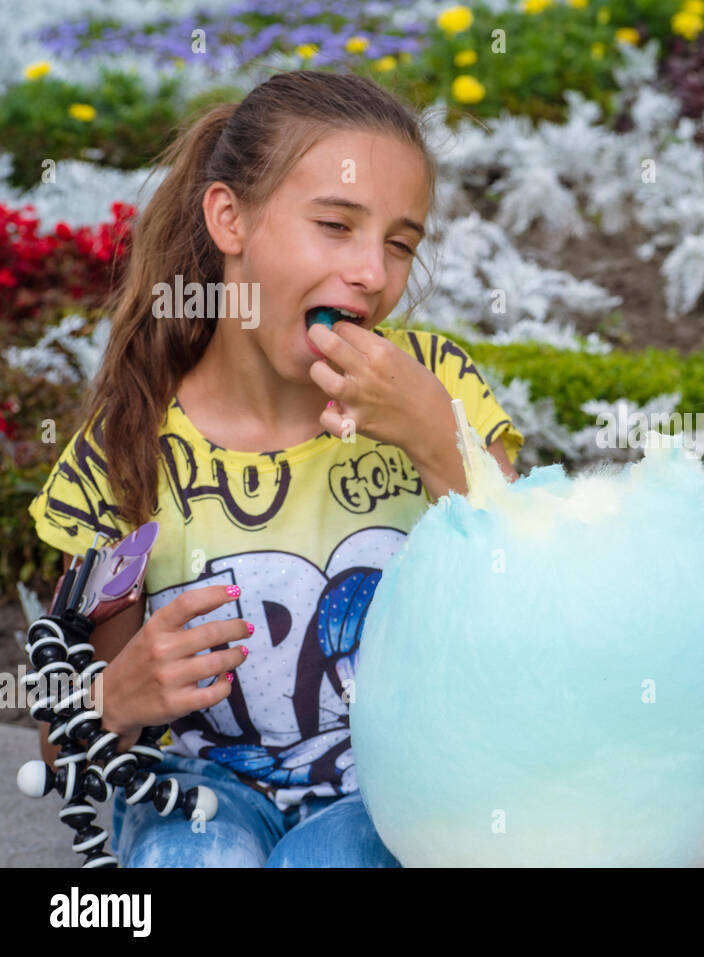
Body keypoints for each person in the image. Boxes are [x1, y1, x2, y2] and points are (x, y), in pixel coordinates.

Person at [27, 70, 524, 867]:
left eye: (400, 242)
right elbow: (62, 747)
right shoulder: (128, 441)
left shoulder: (438, 390)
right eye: (336, 225)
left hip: (391, 785)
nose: (372, 271)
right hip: (195, 790)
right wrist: (118, 695)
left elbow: (546, 612)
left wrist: (436, 441)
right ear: (229, 218)